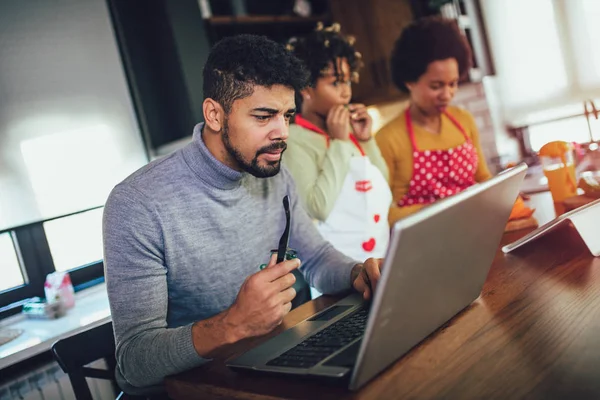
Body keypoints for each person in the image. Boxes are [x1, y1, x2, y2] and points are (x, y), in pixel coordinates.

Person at [102, 34, 383, 394]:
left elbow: (316, 257)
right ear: (215, 114)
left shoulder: (273, 173)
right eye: (264, 116)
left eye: (287, 115)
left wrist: (358, 272)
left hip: (265, 369)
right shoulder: (137, 204)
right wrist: (233, 323)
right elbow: (134, 363)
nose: (282, 133)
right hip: (194, 390)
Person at [283, 23, 391, 262]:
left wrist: (366, 140)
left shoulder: (348, 132)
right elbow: (318, 207)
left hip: (380, 257)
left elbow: (383, 189)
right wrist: (340, 143)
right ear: (306, 89)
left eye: (348, 82)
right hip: (338, 272)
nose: (345, 93)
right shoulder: (294, 141)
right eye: (336, 83)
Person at [376, 17, 492, 226]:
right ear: (410, 81)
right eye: (436, 86)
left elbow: (482, 177)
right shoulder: (387, 138)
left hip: (475, 227)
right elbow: (382, 214)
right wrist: (441, 208)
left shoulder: (463, 120)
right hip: (423, 243)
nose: (447, 94)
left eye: (453, 83)